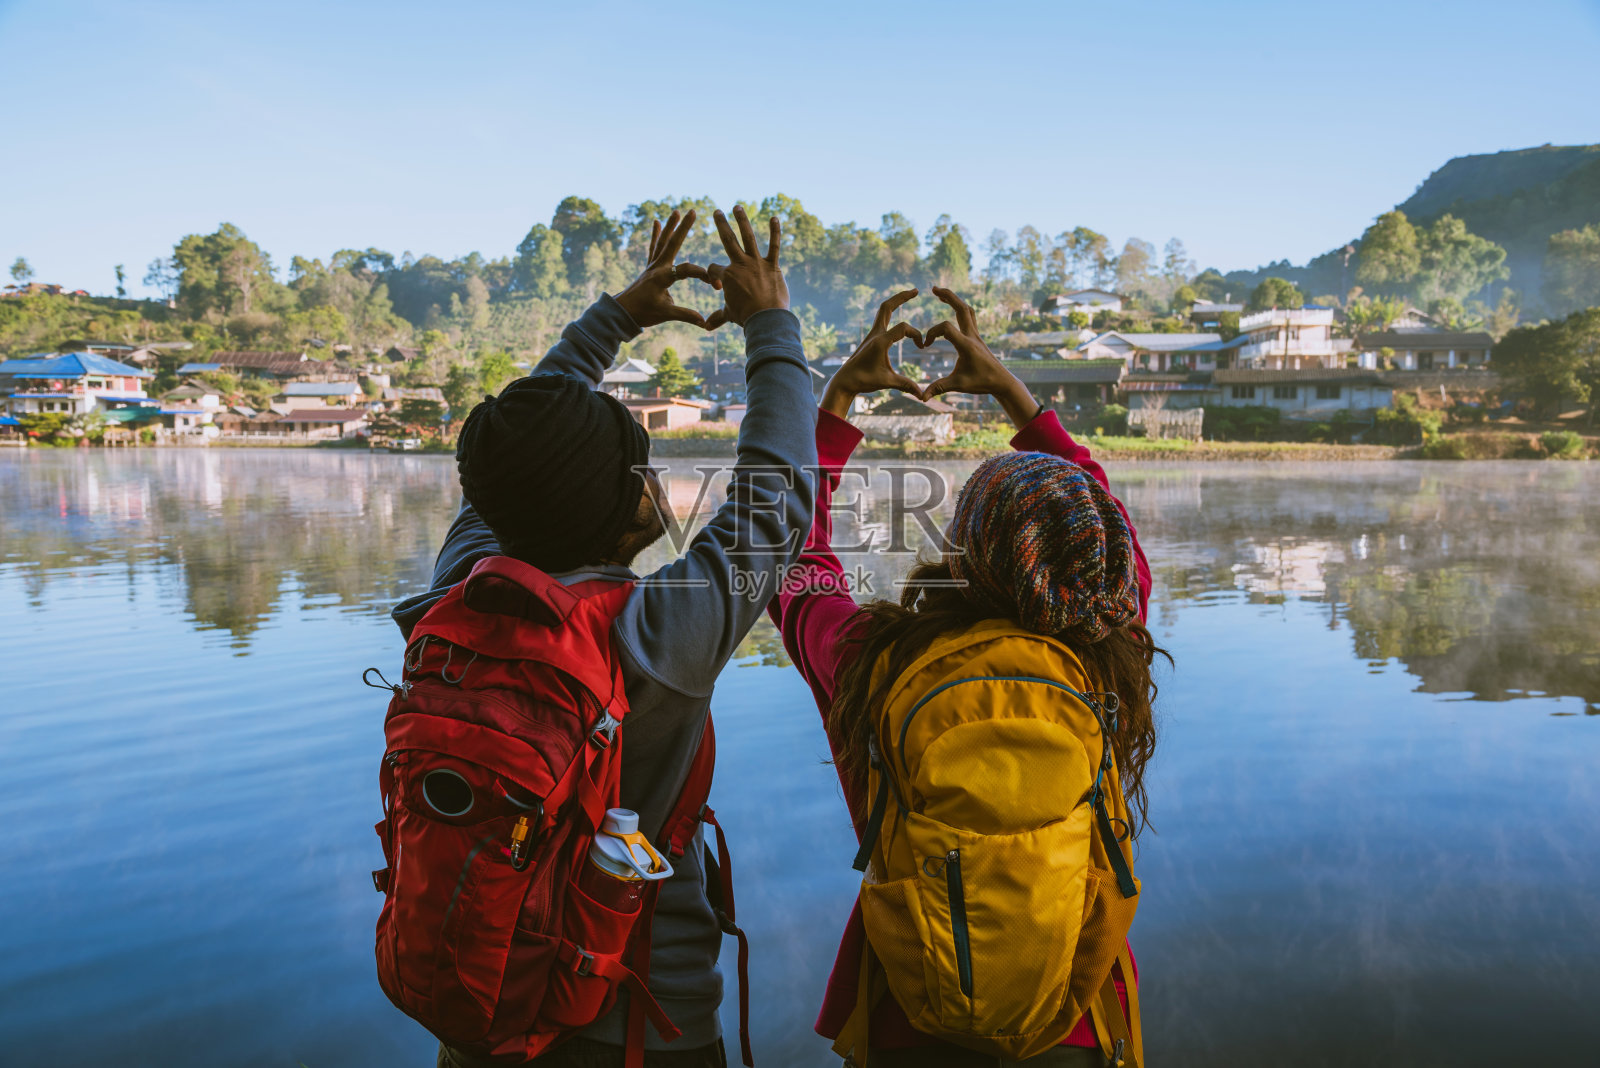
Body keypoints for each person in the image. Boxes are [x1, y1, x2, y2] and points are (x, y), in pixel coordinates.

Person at [391, 207, 817, 1068]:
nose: (657, 484)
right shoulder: (656, 635)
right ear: (625, 508)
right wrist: (771, 322)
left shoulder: (458, 594)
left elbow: (515, 448)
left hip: (481, 1005)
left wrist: (614, 319)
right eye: (644, 471)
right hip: (642, 1028)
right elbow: (777, 496)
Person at [768, 288, 1163, 1067]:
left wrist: (838, 401)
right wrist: (1016, 397)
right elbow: (1107, 527)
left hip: (908, 1022)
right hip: (1077, 1020)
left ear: (962, 553)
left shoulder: (874, 660)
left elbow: (797, 557)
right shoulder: (1105, 648)